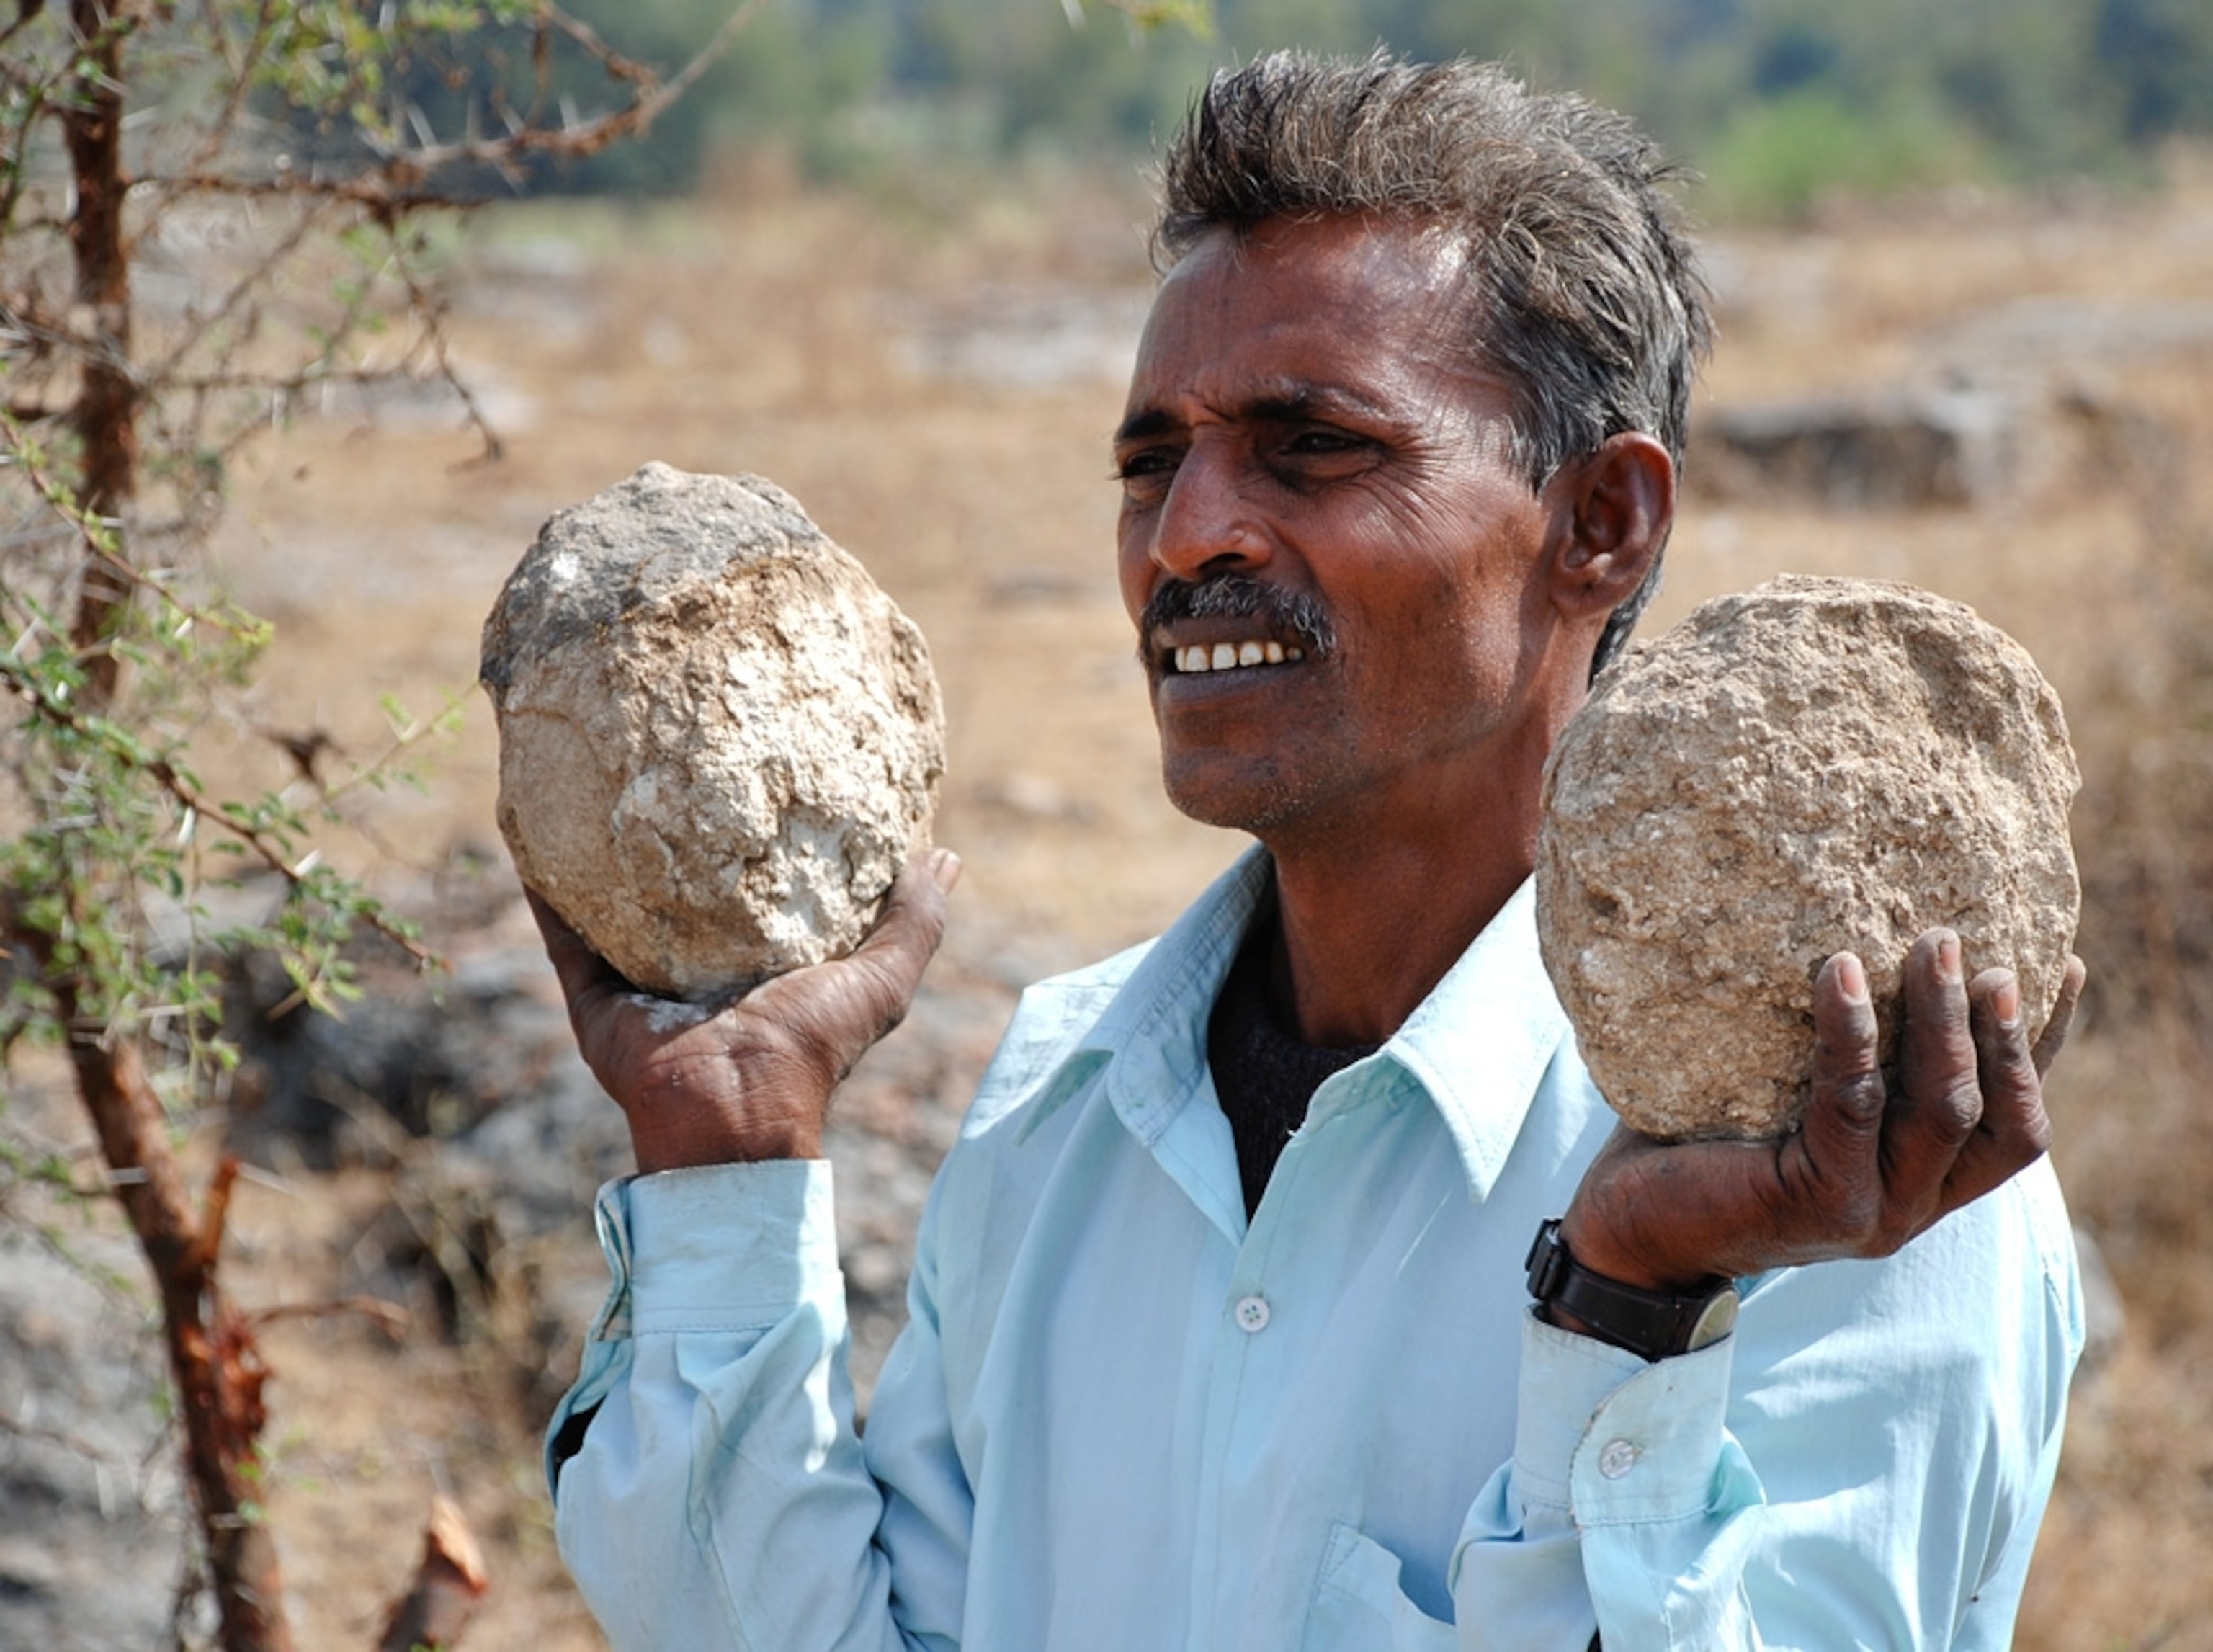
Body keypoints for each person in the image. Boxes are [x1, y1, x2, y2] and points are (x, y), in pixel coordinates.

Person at [534, 51, 2086, 1651]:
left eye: (1313, 447)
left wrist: (1627, 1305)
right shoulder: (1064, 1105)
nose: (1185, 534)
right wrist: (723, 1166)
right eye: (1151, 462)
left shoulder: (1853, 1162)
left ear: (1602, 522)